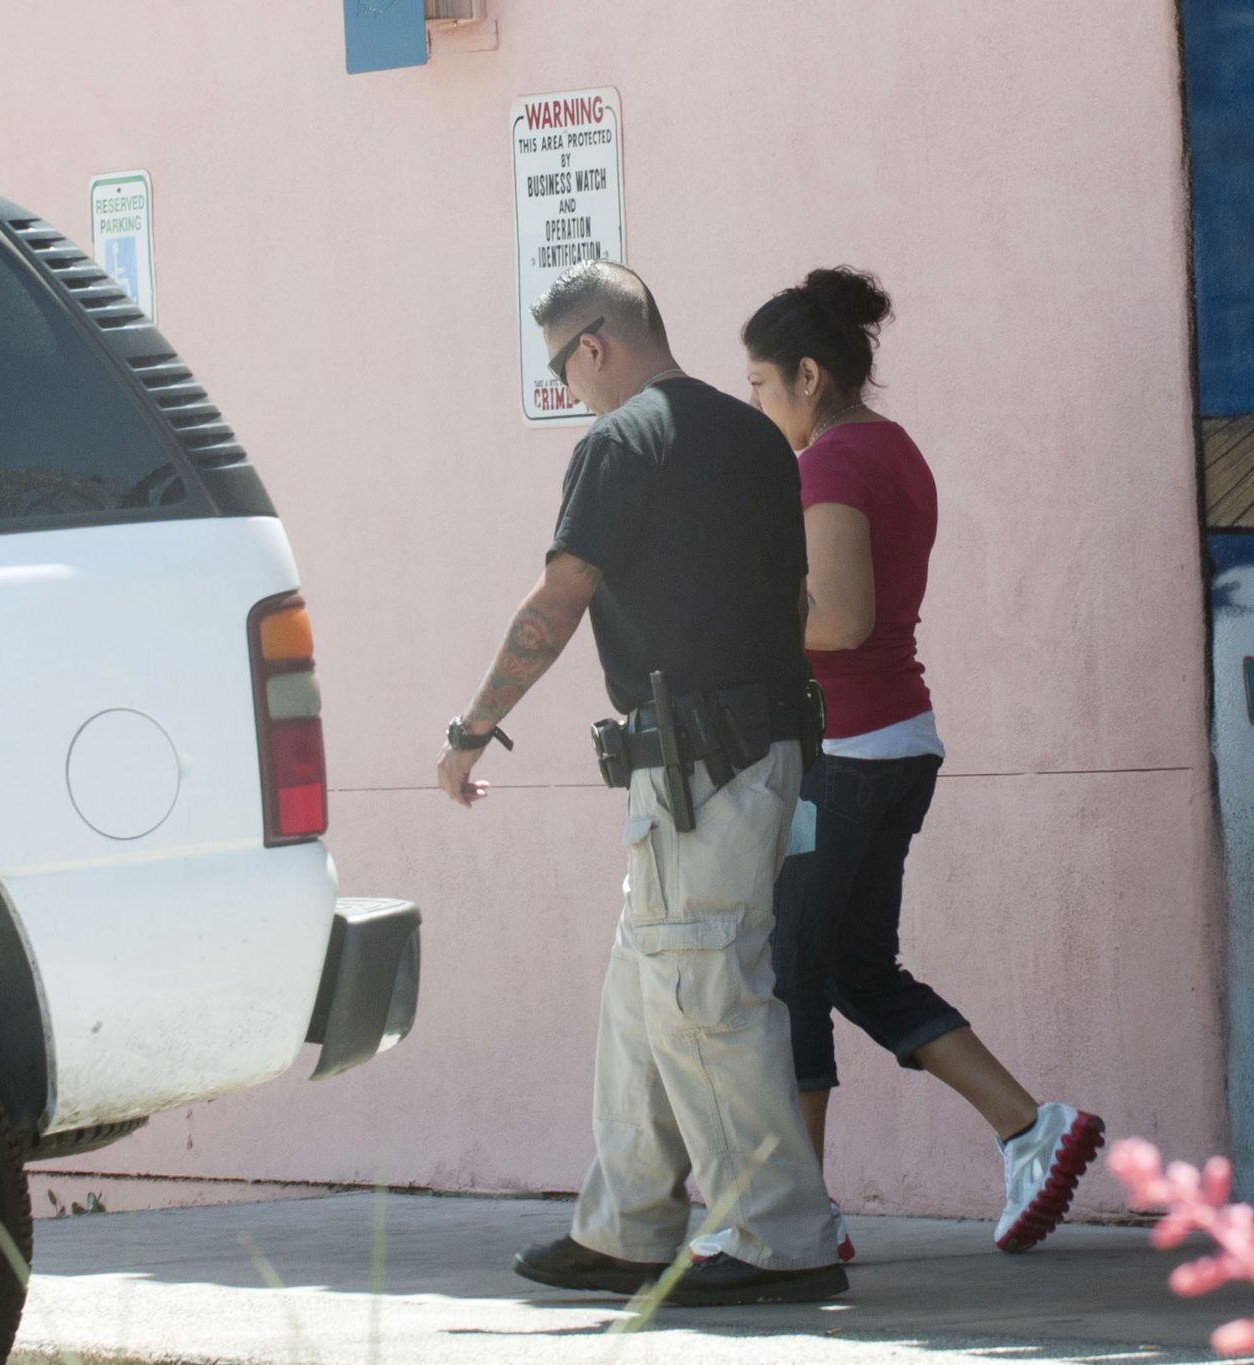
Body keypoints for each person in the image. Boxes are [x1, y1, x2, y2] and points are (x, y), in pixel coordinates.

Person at [434, 260, 846, 1306]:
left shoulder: (619, 444)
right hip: (752, 755)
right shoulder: (752, 436)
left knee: (704, 995)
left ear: (594, 345)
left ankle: (777, 1238)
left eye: (561, 368)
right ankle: (627, 1225)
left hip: (700, 768)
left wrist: (473, 730)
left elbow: (557, 601)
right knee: (643, 994)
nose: (569, 389)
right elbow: (791, 591)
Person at [734, 267, 1104, 1256]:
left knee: (791, 977)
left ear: (809, 375)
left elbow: (842, 617)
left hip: (843, 756)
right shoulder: (890, 449)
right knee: (851, 964)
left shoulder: (827, 468)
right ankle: (1031, 1127)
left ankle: (796, 1212)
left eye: (762, 385)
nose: (756, 406)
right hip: (893, 744)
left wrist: (739, 617)